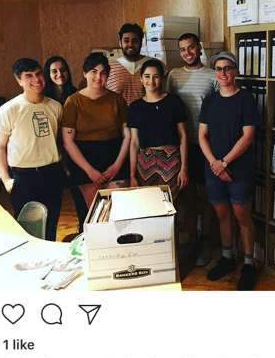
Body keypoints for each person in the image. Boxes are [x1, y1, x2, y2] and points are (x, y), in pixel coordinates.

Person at [198, 51, 261, 291]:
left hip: (238, 169)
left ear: (235, 70)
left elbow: (248, 137)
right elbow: (202, 136)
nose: (223, 73)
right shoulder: (210, 100)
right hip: (213, 168)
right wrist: (215, 163)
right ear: (214, 72)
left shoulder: (246, 99)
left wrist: (224, 163)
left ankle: (248, 263)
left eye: (227, 68)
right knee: (222, 215)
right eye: (218, 68)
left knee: (242, 216)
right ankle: (227, 257)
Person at [0, 58, 65, 241]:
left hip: (52, 174)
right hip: (24, 178)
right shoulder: (8, 110)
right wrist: (6, 179)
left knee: (51, 226)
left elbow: (59, 141)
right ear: (19, 81)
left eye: (39, 73)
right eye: (29, 76)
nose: (36, 79)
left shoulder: (55, 107)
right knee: (29, 231)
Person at [166, 33, 218, 266]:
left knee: (206, 194)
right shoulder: (174, 76)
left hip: (206, 144)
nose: (187, 53)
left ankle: (206, 240)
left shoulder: (211, 75)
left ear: (199, 48)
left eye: (191, 48)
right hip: (182, 144)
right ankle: (192, 239)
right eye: (182, 49)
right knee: (187, 194)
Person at [62, 52, 130, 208]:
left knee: (117, 210)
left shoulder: (117, 100)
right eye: (94, 71)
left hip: (115, 159)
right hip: (85, 162)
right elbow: (68, 141)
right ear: (84, 73)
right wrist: (89, 170)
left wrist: (117, 165)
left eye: (103, 73)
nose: (98, 77)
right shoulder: (73, 101)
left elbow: (127, 136)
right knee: (96, 214)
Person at [128, 59, 188, 202]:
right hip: (145, 160)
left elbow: (183, 136)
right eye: (147, 76)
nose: (151, 81)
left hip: (171, 158)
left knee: (169, 204)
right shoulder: (135, 107)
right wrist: (132, 174)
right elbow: (134, 142)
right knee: (149, 205)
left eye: (156, 76)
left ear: (161, 79)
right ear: (141, 78)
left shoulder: (173, 101)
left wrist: (184, 168)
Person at [42, 55, 87, 231]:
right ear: (48, 74)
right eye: (54, 71)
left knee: (80, 200)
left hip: (73, 153)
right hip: (51, 156)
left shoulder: (75, 95)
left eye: (63, 70)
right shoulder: (44, 99)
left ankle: (82, 233)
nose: (59, 74)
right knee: (52, 205)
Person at [105, 23, 169, 105]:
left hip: (149, 116)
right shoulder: (109, 67)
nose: (130, 44)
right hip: (119, 117)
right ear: (120, 42)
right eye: (126, 40)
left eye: (135, 41)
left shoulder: (155, 64)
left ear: (141, 42)